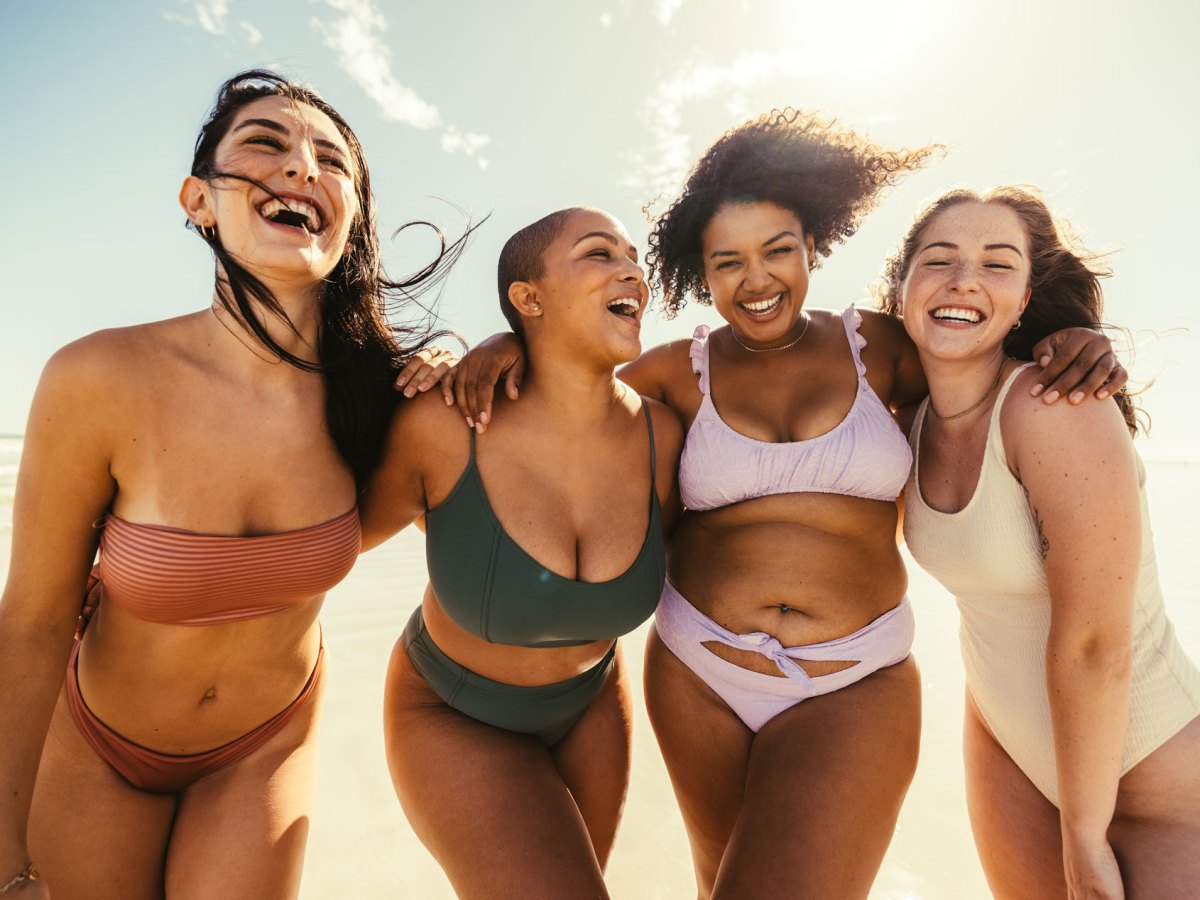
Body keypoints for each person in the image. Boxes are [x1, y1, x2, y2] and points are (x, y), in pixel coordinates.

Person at [450, 110, 1126, 898]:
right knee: (717, 882)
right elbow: (562, 391)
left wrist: (1070, 339)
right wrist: (503, 341)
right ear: (700, 274)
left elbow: (977, 349)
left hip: (854, 681)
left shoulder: (884, 349)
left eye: (779, 251)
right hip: (698, 672)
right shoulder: (673, 373)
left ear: (814, 249)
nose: (758, 279)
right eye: (728, 261)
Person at [0, 70, 462, 900]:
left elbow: (495, 491)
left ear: (349, 216)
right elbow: (33, 621)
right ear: (199, 200)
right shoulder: (100, 377)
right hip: (97, 739)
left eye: (330, 160)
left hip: (264, 746)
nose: (301, 168)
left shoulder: (386, 401)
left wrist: (490, 355)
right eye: (265, 143)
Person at [882, 186, 1200, 899]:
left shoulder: (1054, 406)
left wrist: (1084, 836)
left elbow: (1095, 644)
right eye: (939, 260)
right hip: (1008, 748)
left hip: (1157, 783)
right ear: (902, 285)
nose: (964, 279)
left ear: (1026, 299)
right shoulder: (904, 424)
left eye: (998, 265)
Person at [360, 207, 682, 899]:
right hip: (450, 711)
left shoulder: (665, 438)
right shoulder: (444, 425)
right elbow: (328, 543)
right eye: (599, 254)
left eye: (633, 257)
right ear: (528, 299)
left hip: (594, 705)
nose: (633, 271)